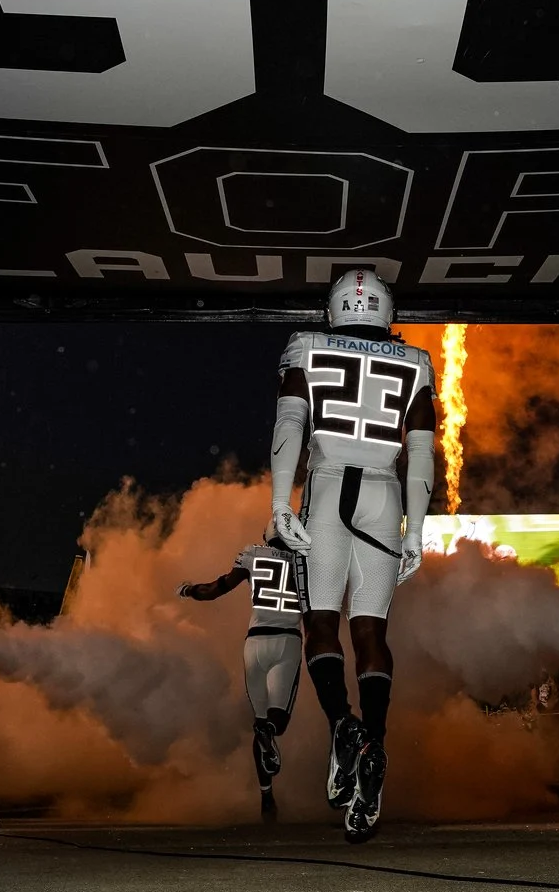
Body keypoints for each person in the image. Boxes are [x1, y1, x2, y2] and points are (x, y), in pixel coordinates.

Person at [269, 267, 435, 843]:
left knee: (318, 623)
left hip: (328, 483)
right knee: (371, 630)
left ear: (334, 308)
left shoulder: (308, 347)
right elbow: (421, 450)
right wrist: (415, 529)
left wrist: (278, 503)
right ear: (386, 310)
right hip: (386, 493)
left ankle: (345, 726)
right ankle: (377, 742)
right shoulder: (415, 361)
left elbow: (289, 423)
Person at [179, 528, 308, 819]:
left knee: (260, 720)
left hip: (255, 642)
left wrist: (188, 590)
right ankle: (269, 733)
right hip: (287, 639)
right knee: (278, 722)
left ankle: (266, 796)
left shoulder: (252, 554)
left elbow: (216, 589)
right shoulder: (306, 559)